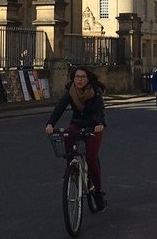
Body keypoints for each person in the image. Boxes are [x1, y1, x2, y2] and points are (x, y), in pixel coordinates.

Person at [45, 66, 108, 210]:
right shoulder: (71, 91)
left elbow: (100, 110)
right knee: (67, 136)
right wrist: (50, 123)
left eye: (82, 77)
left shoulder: (95, 92)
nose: (79, 80)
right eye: (77, 77)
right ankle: (71, 168)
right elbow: (60, 108)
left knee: (91, 158)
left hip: (93, 126)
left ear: (88, 79)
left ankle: (98, 191)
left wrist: (100, 123)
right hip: (78, 124)